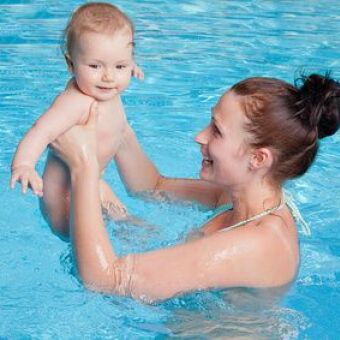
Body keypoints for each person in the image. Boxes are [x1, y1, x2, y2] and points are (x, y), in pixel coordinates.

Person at [51, 73, 340, 302]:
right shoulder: (238, 195)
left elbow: (104, 282)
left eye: (216, 130)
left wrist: (84, 168)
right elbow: (151, 187)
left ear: (258, 158)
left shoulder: (259, 243)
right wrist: (113, 119)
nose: (199, 136)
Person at [10, 2, 144, 238]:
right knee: (123, 225)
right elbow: (40, 131)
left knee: (123, 217)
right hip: (63, 200)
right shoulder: (75, 103)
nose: (108, 77)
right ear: (70, 64)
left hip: (87, 184)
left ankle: (136, 234)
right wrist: (24, 165)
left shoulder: (103, 84)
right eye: (95, 66)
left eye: (120, 66)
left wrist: (128, 67)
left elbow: (111, 62)